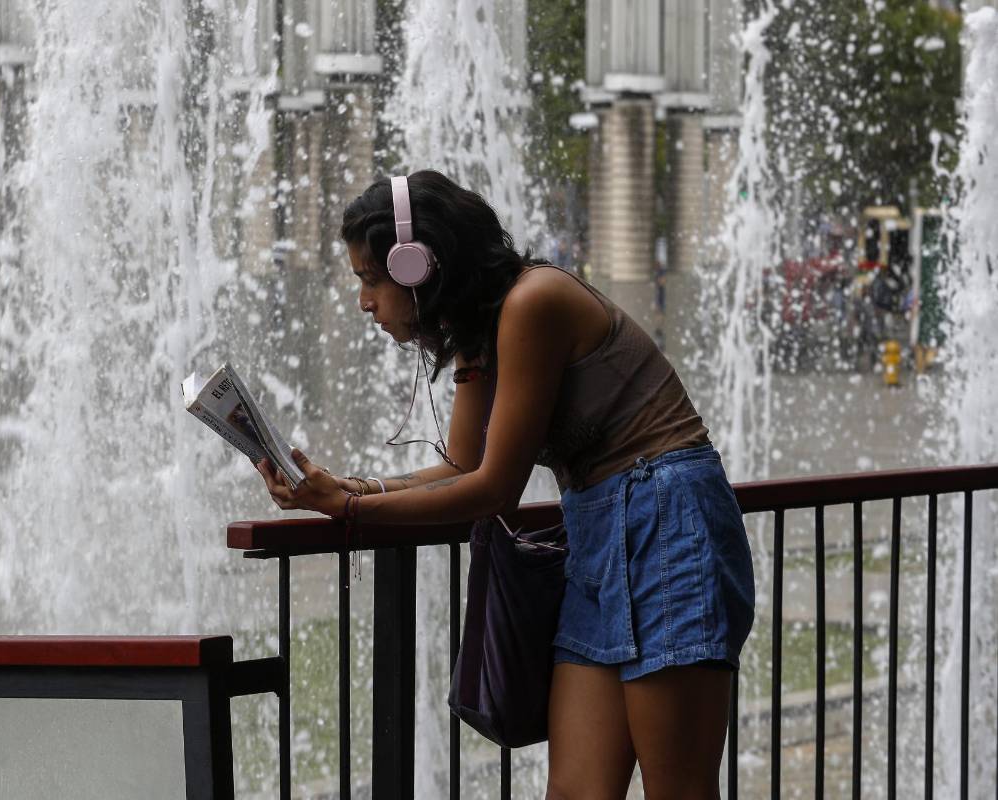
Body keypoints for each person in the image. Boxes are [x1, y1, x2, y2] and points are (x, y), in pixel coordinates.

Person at [255, 171, 755, 799]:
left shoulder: (531, 303)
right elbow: (463, 467)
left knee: (676, 789)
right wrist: (346, 489)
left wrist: (350, 508)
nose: (364, 303)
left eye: (370, 280)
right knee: (575, 792)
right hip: (601, 530)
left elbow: (495, 489)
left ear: (417, 266)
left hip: (667, 520)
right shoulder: (480, 334)